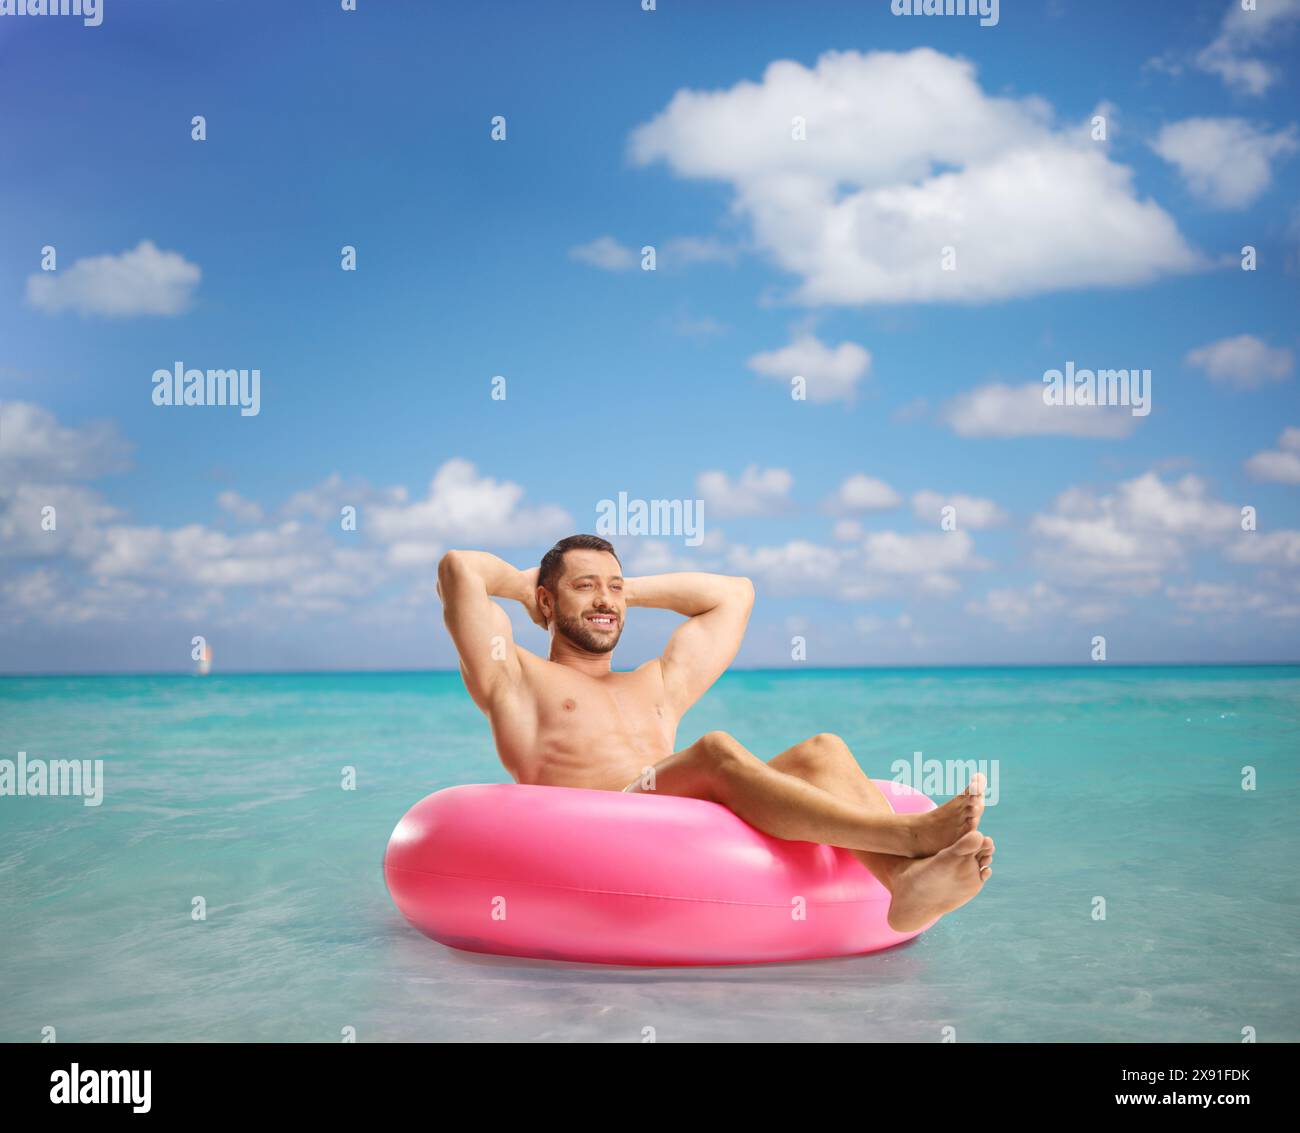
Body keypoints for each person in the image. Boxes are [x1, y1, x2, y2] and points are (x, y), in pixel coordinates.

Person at [436, 533, 993, 931]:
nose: (606, 600)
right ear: (547, 601)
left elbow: (735, 594)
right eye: (586, 587)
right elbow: (460, 568)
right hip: (604, 826)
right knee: (714, 750)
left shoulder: (656, 682)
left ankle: (903, 884)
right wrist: (534, 584)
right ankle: (905, 836)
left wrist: (621, 588)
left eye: (615, 588)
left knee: (824, 751)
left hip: (679, 822)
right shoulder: (514, 675)